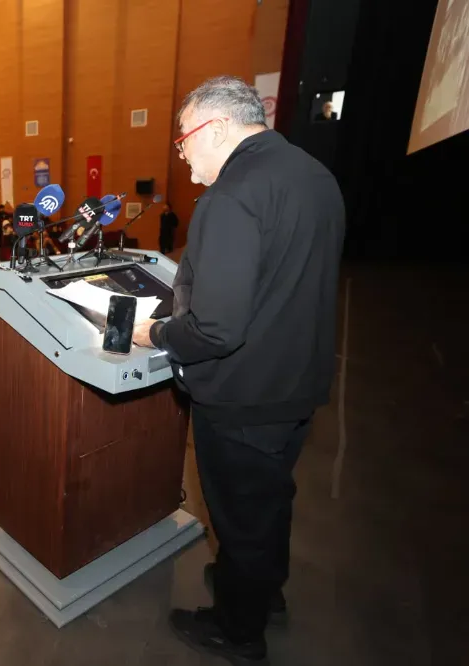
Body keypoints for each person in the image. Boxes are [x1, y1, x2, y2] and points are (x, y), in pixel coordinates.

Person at [131, 75, 345, 664]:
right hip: (296, 382)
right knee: (270, 500)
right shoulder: (314, 174)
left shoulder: (232, 195)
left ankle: (238, 630)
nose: (182, 155)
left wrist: (158, 333)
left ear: (219, 127)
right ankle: (259, 592)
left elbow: (215, 329)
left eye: (183, 139)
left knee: (241, 517)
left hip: (244, 394)